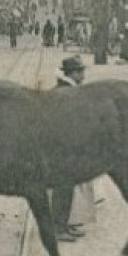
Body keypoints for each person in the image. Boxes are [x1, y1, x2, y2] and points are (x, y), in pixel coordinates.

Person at [49, 57, 98, 239]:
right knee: (63, 188)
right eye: (81, 72)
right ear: (73, 74)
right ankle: (58, 228)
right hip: (63, 148)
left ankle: (64, 224)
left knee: (67, 187)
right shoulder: (68, 93)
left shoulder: (63, 89)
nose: (83, 76)